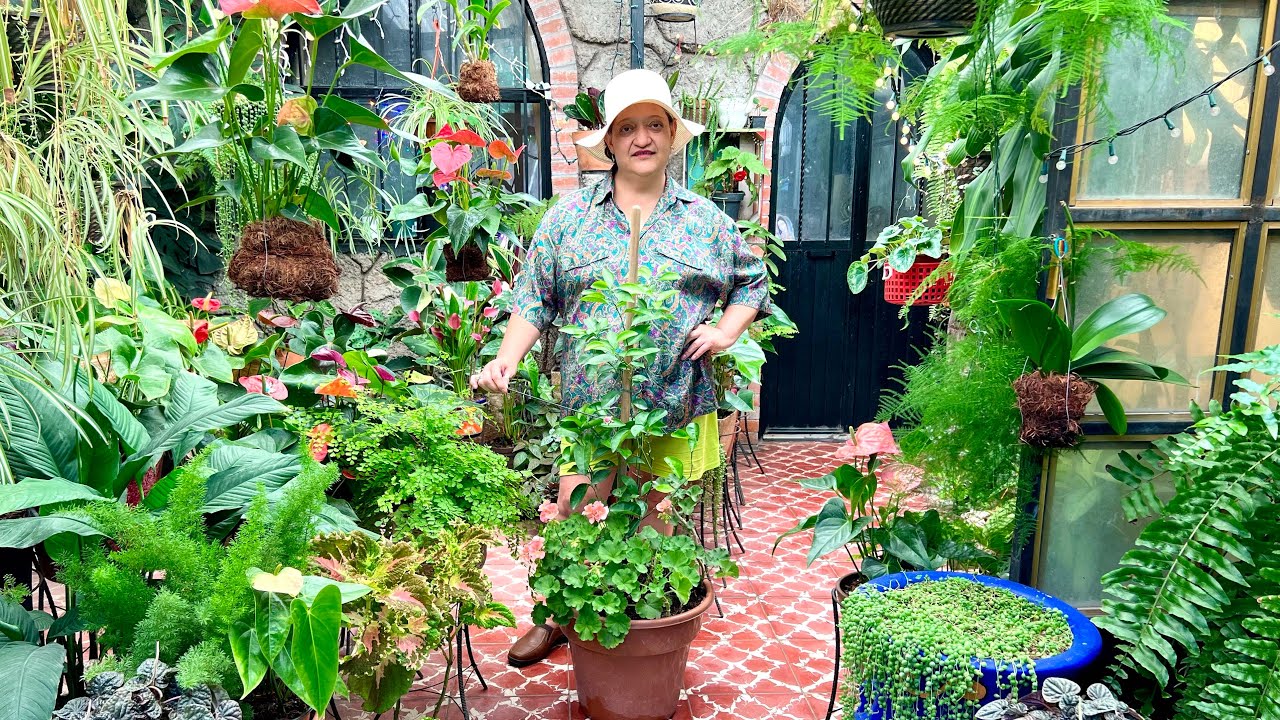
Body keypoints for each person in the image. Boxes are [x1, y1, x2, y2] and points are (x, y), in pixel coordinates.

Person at [471, 68, 771, 667]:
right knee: (575, 511)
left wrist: (724, 331)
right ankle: (559, 618)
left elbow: (751, 280)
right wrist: (506, 361)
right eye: (626, 126)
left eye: (653, 124)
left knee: (656, 519)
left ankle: (643, 626)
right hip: (590, 406)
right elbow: (534, 298)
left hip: (672, 400)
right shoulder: (569, 219)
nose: (641, 137)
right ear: (608, 141)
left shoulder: (705, 220)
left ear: (670, 136)